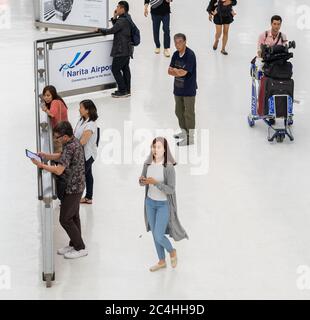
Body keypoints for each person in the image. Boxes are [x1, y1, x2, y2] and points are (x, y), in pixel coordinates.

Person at [31, 121, 88, 259]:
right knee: (74, 217)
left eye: (58, 137)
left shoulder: (70, 146)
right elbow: (61, 157)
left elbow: (58, 169)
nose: (56, 139)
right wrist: (46, 156)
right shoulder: (72, 142)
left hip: (73, 187)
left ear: (65, 137)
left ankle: (80, 248)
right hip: (77, 185)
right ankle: (74, 243)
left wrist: (41, 165)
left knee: (65, 219)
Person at [139, 137, 188, 272]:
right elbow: (142, 182)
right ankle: (161, 261)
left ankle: (172, 251)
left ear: (165, 149)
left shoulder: (169, 168)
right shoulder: (147, 164)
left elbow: (171, 189)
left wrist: (156, 183)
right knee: (154, 234)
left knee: (159, 235)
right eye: (154, 147)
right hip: (150, 203)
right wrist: (142, 181)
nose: (156, 149)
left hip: (163, 205)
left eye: (159, 147)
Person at [98, 1, 133, 98]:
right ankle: (127, 89)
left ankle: (122, 90)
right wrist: (115, 17)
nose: (116, 8)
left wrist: (100, 30)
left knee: (115, 69)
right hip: (127, 49)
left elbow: (112, 30)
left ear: (122, 8)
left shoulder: (122, 20)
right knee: (125, 69)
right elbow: (117, 27)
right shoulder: (127, 17)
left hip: (121, 50)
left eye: (118, 7)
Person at [168, 33, 197, 147]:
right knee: (179, 112)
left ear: (185, 42)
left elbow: (183, 72)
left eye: (180, 42)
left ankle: (190, 138)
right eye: (175, 42)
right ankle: (184, 132)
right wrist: (177, 71)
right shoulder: (175, 54)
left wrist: (176, 71)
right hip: (178, 89)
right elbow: (169, 71)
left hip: (189, 89)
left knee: (189, 114)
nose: (177, 44)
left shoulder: (190, 55)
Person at [74, 100, 98, 205]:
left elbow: (83, 141)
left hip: (87, 155)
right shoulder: (82, 120)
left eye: (81, 107)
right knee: (88, 174)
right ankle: (88, 197)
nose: (79, 109)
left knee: (80, 176)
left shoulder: (91, 124)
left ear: (87, 110)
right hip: (82, 153)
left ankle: (74, 199)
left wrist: (71, 148)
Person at [42, 85, 68, 153]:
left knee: (58, 155)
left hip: (60, 134)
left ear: (53, 95)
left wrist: (45, 110)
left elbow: (52, 114)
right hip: (64, 132)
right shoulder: (59, 101)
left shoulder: (55, 102)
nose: (46, 98)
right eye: (44, 95)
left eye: (48, 95)